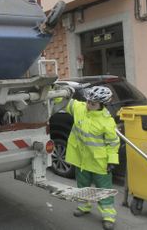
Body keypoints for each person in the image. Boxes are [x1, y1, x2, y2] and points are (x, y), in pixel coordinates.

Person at [63, 86, 120, 230]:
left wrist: (112, 160)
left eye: (93, 104)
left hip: (100, 163)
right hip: (81, 160)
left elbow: (113, 143)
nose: (88, 105)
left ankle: (108, 216)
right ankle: (84, 206)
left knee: (103, 191)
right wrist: (52, 89)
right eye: (88, 101)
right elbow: (64, 101)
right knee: (82, 186)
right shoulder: (79, 108)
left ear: (102, 105)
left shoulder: (107, 122)